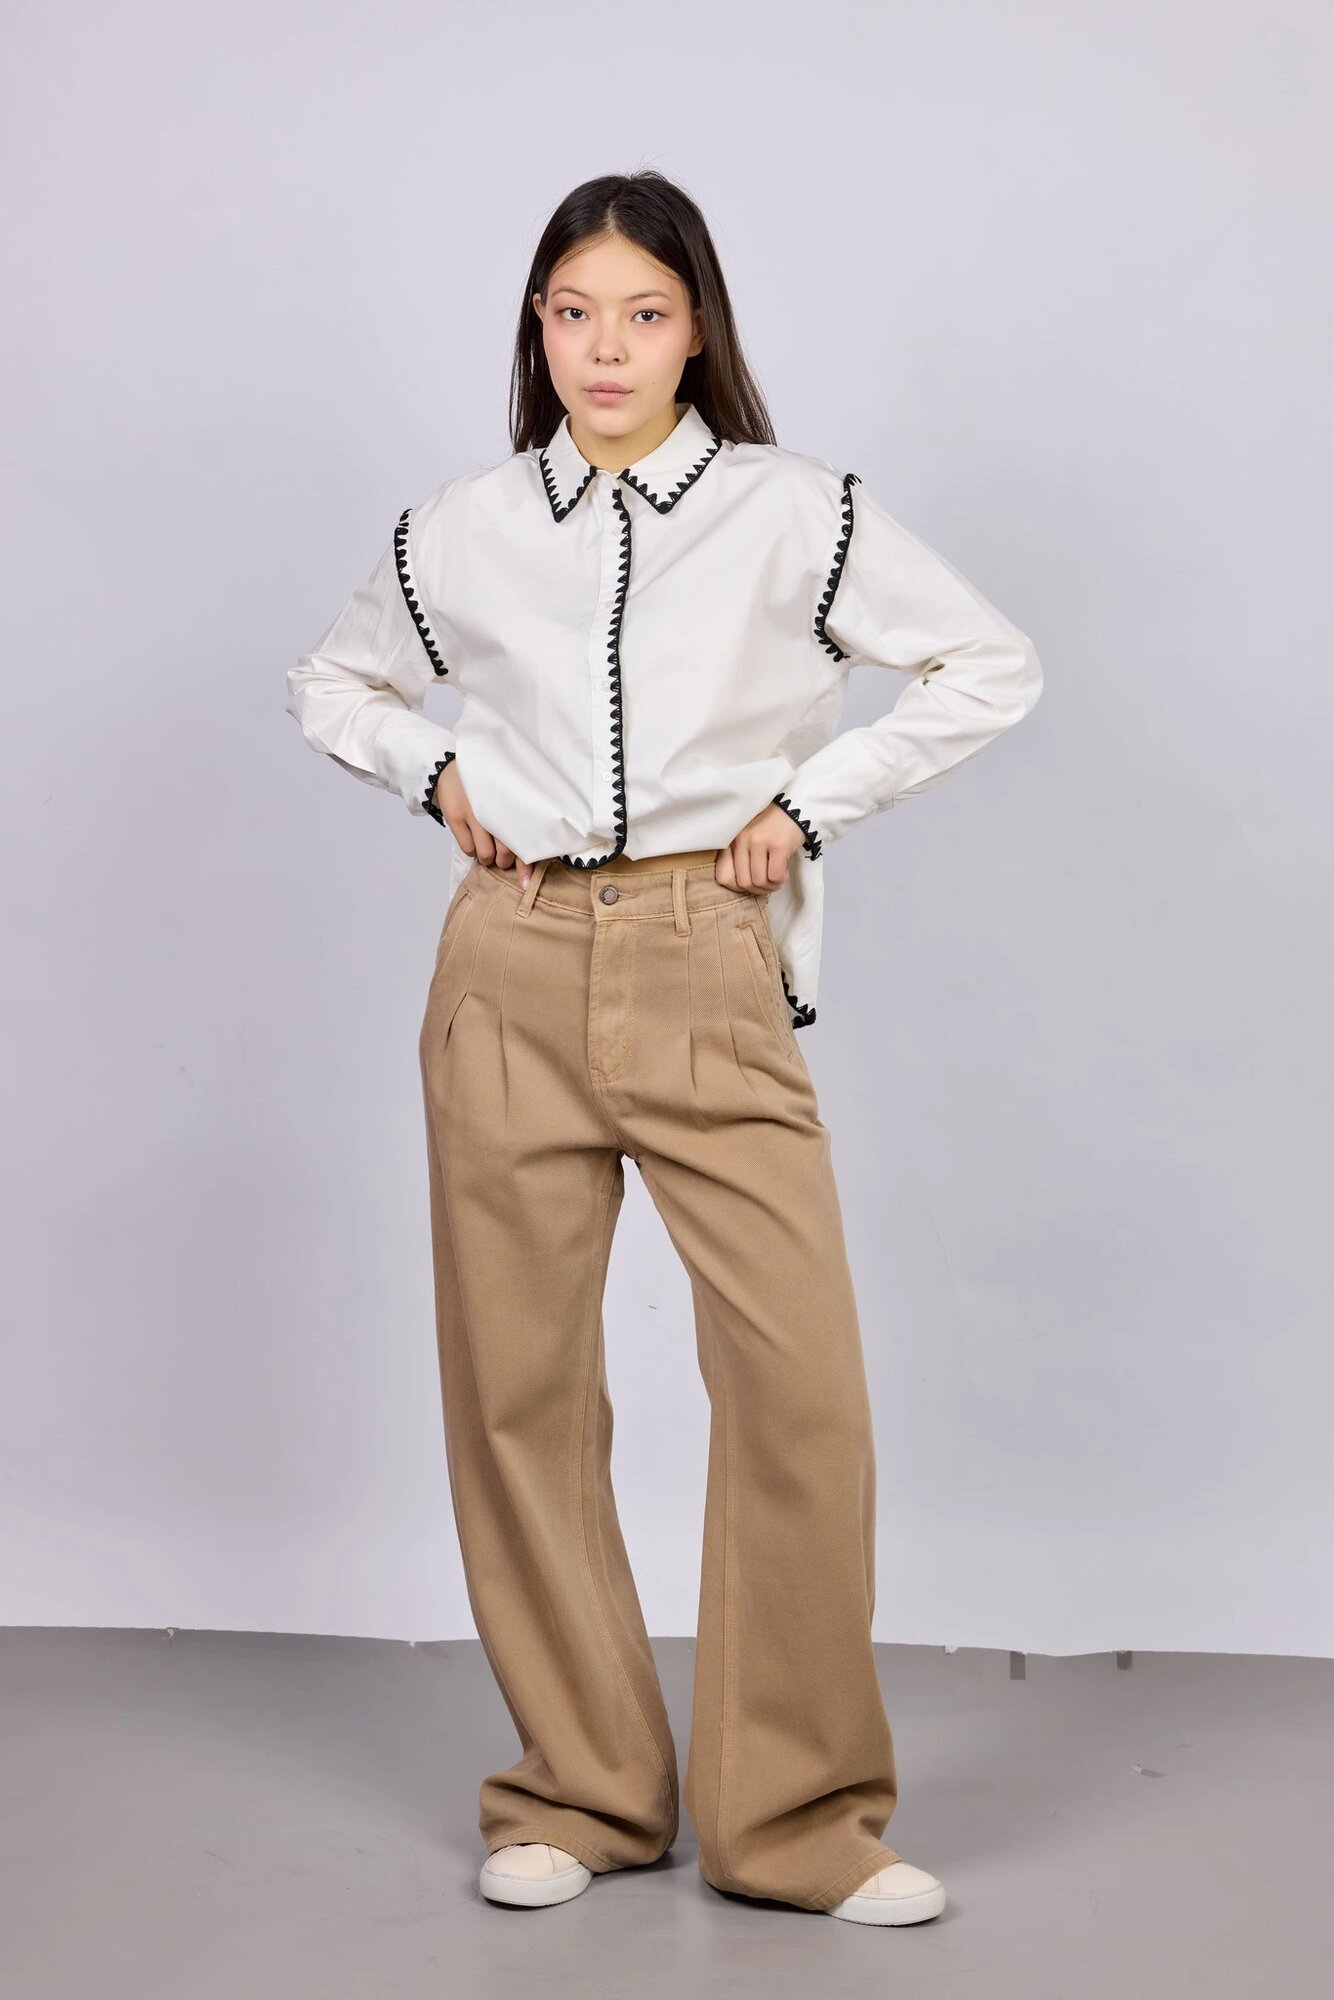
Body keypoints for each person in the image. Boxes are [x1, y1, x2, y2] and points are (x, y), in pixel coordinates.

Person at [286, 170, 1042, 1928]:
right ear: (536, 327)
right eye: (573, 314)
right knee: (518, 1390)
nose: (604, 349)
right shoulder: (465, 526)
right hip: (509, 954)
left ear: (695, 326)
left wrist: (810, 804)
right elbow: (334, 681)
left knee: (797, 1390)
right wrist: (434, 772)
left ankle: (797, 1820)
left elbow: (984, 664)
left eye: (640, 313)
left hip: (710, 947)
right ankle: (580, 1790)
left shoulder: (795, 510)